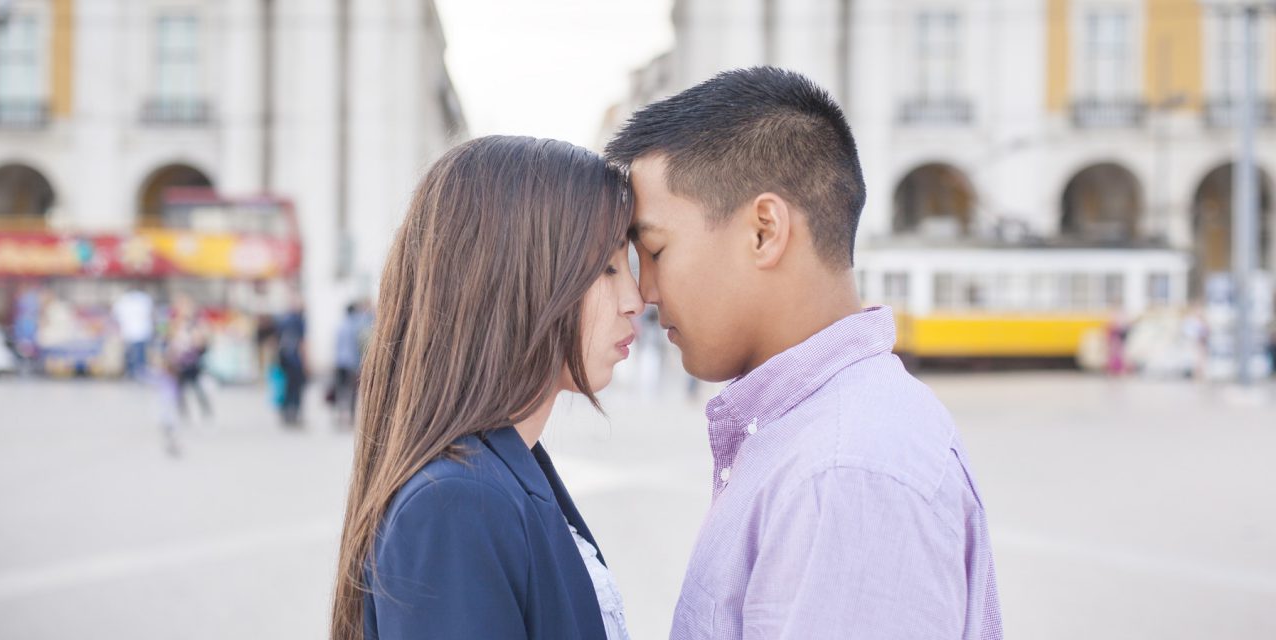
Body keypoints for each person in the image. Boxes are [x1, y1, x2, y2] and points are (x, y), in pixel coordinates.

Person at [606, 67, 1002, 639]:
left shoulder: (845, 473)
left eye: (656, 251)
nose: (644, 291)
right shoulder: (821, 439)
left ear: (764, 231)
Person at [330, 136, 641, 640]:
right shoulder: (454, 505)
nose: (635, 299)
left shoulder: (503, 468)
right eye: (607, 267)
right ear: (518, 276)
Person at [332, 301, 372, 429]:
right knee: (352, 391)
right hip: (352, 363)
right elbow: (359, 345)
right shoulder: (356, 326)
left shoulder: (340, 326)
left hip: (339, 362)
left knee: (341, 389)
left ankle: (339, 415)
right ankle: (351, 416)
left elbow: (336, 345)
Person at [275, 297, 307, 427]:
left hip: (284, 359)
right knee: (296, 387)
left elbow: (277, 340)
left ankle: (286, 411)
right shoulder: (299, 321)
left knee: (287, 386)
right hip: (295, 360)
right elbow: (302, 343)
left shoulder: (283, 320)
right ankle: (293, 412)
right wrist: (306, 362)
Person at [112, 287, 155, 379]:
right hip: (139, 331)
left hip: (131, 331)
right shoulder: (144, 299)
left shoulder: (124, 300)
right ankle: (138, 373)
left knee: (132, 354)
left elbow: (116, 315)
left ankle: (133, 373)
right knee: (138, 355)